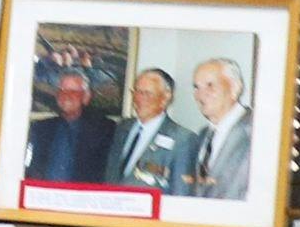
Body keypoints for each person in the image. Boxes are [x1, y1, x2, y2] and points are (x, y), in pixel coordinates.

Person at [23, 67, 118, 186]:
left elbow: (108, 175)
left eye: (73, 92)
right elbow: (29, 168)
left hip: (82, 200)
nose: (66, 96)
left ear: (86, 97)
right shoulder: (41, 128)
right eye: (62, 90)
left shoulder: (104, 130)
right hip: (42, 199)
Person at [181, 55, 256, 203]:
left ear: (235, 88)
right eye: (196, 87)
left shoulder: (258, 132)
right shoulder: (201, 136)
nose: (200, 95)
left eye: (210, 85)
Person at [105, 66, 191, 192]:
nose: (139, 99)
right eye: (136, 91)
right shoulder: (121, 128)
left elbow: (181, 191)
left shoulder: (183, 139)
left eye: (146, 93)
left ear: (166, 97)